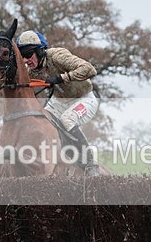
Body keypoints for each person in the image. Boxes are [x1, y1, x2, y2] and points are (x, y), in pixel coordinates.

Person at [16, 29, 101, 175]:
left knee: (67, 120)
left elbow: (90, 69)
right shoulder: (31, 70)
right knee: (41, 120)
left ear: (40, 51)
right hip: (59, 101)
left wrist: (61, 78)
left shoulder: (57, 55)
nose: (25, 60)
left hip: (84, 98)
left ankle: (90, 163)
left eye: (28, 55)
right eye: (22, 56)